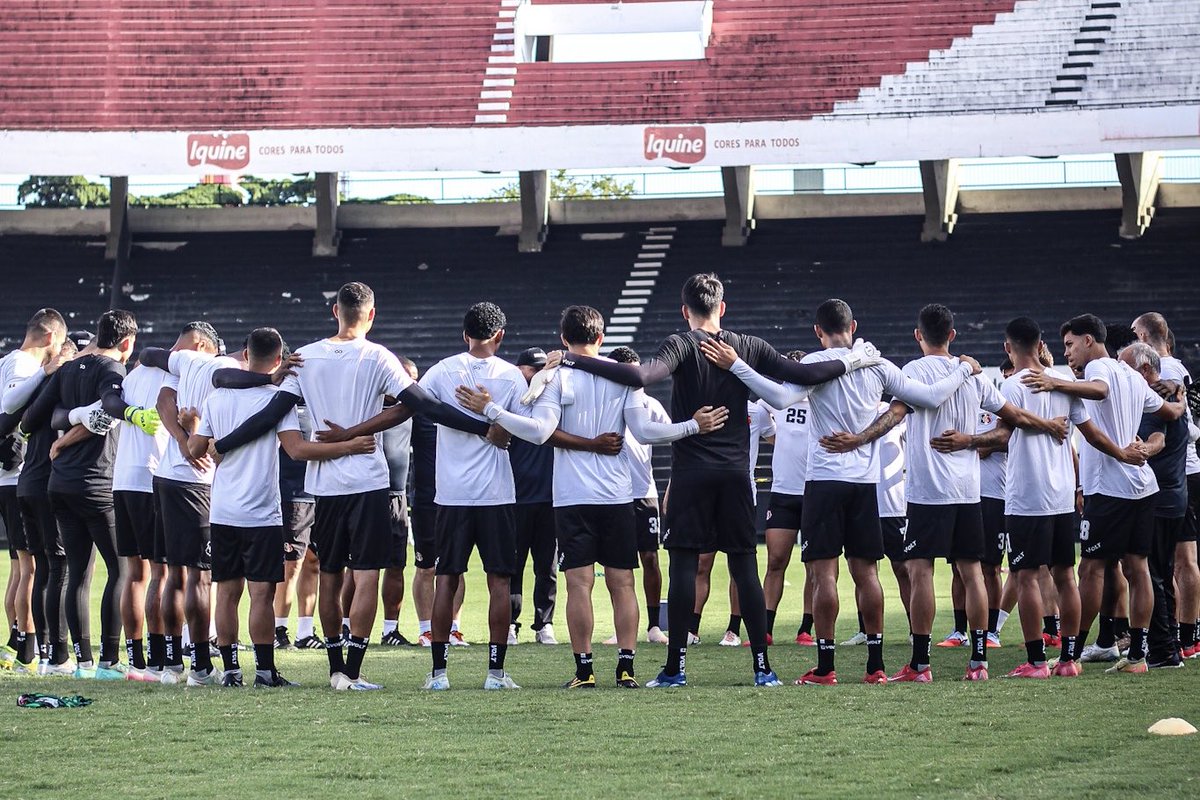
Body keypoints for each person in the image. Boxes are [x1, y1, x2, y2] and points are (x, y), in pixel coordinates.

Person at [552, 275, 878, 688]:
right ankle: (763, 668)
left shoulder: (681, 343)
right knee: (744, 566)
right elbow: (801, 375)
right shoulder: (748, 344)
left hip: (690, 474)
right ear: (723, 307)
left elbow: (641, 376)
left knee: (685, 566)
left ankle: (675, 669)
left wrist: (570, 358)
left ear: (685, 311)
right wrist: (853, 359)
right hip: (736, 475)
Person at [209, 282, 496, 691]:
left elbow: (270, 410)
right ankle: (354, 672)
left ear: (334, 311)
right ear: (372, 315)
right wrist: (482, 426)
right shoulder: (377, 355)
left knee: (329, 574)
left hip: (322, 487)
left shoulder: (305, 357)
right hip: (367, 481)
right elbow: (421, 404)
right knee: (365, 578)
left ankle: (333, 669)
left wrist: (223, 444)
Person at [702, 298, 983, 685]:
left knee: (824, 574)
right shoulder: (877, 364)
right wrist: (965, 369)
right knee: (867, 573)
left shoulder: (815, 366)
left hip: (824, 481)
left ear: (818, 332)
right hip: (865, 485)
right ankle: (876, 666)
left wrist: (736, 364)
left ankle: (826, 667)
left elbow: (781, 399)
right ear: (854, 326)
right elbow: (931, 397)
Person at [459, 305, 726, 688]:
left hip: (572, 498)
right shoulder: (623, 379)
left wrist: (491, 409)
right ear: (601, 339)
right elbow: (646, 432)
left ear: (563, 339)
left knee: (579, 585)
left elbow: (538, 432)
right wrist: (692, 426)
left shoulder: (557, 378)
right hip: (617, 496)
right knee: (622, 583)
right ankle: (626, 667)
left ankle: (584, 670)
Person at [805, 303, 1067, 683]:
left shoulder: (913, 371)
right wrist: (1029, 429)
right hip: (969, 490)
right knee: (973, 572)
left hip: (928, 491)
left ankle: (920, 665)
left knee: (920, 571)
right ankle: (979, 662)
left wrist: (858, 440)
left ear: (917, 335)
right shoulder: (974, 377)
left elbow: (893, 416)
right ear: (953, 335)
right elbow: (1011, 422)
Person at [931, 317, 1141, 677]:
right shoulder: (1064, 386)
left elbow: (1000, 437)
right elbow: (1088, 435)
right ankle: (1070, 660)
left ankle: (1037, 661)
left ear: (1008, 348)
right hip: (1060, 495)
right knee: (1065, 576)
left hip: (1028, 496)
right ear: (1041, 343)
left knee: (1026, 576)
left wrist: (967, 441)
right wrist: (1121, 454)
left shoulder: (1010, 387)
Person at [185, 327, 377, 687]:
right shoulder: (278, 398)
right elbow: (297, 450)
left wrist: (191, 428)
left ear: (245, 355)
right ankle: (264, 672)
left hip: (223, 509)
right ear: (279, 360)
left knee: (226, 591)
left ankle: (229, 672)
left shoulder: (218, 398)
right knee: (261, 594)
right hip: (261, 511)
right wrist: (348, 446)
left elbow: (196, 450)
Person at [1020, 313, 1183, 673]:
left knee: (1091, 569)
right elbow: (1170, 413)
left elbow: (1099, 391)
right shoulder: (1133, 377)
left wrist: (1054, 382)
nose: (1067, 354)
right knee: (1136, 568)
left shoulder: (1103, 370)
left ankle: (1073, 652)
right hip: (1142, 486)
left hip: (1110, 487)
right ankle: (1138, 656)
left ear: (1090, 340)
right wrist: (1181, 401)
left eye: (1070, 345)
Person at [19, 310, 159, 678]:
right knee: (121, 569)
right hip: (96, 483)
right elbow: (106, 416)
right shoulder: (114, 372)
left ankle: (71, 660)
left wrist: (66, 430)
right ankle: (108, 662)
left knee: (74, 572)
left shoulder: (67, 369)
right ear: (128, 342)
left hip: (59, 483)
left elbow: (42, 420)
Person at [138, 321, 235, 685]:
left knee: (170, 574)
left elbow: (165, 401)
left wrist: (179, 440)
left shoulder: (182, 367)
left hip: (165, 478)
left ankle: (169, 665)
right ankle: (200, 667)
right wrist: (189, 439)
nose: (173, 353)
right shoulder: (218, 368)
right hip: (196, 483)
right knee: (199, 576)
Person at [0, 309, 67, 672]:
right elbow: (11, 403)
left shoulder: (9, 360)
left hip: (9, 479)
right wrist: (45, 371)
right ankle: (27, 644)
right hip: (17, 477)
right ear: (49, 338)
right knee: (30, 568)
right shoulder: (23, 363)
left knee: (20, 567)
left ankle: (16, 641)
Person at [1131, 313, 1200, 659]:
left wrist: (1144, 447)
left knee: (1164, 566)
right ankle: (1175, 638)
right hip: (1178, 481)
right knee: (1169, 564)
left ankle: (1173, 642)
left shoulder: (1165, 381)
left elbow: (1173, 431)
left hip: (1170, 483)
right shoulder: (1175, 377)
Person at [1120, 342, 1188, 668]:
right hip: (1175, 495)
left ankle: (1164, 650)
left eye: (1125, 366)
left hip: (1159, 498)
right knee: (1161, 572)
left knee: (1153, 575)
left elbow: (1156, 439)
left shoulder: (1154, 404)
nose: (1120, 372)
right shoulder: (1173, 395)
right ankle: (1169, 645)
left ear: (1145, 370)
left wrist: (1142, 450)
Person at [111, 342, 172, 681]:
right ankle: (159, 659)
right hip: (152, 479)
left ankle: (135, 660)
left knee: (134, 574)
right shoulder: (170, 375)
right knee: (161, 574)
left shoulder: (131, 376)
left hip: (123, 480)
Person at [609, 346, 669, 645]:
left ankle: (654, 625)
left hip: (644, 493)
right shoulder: (606, 402)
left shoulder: (651, 405)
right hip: (612, 493)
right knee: (617, 562)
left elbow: (672, 435)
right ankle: (619, 625)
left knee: (650, 557)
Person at [506, 347, 559, 647]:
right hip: (515, 497)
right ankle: (510, 623)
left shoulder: (550, 403)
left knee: (547, 566)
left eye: (541, 369)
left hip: (549, 498)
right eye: (531, 368)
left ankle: (544, 623)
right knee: (512, 565)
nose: (537, 374)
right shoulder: (510, 403)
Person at [273, 401, 320, 649]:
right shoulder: (282, 407)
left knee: (314, 562)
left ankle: (305, 631)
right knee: (291, 565)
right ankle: (278, 628)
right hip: (292, 495)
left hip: (318, 492)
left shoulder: (320, 403)